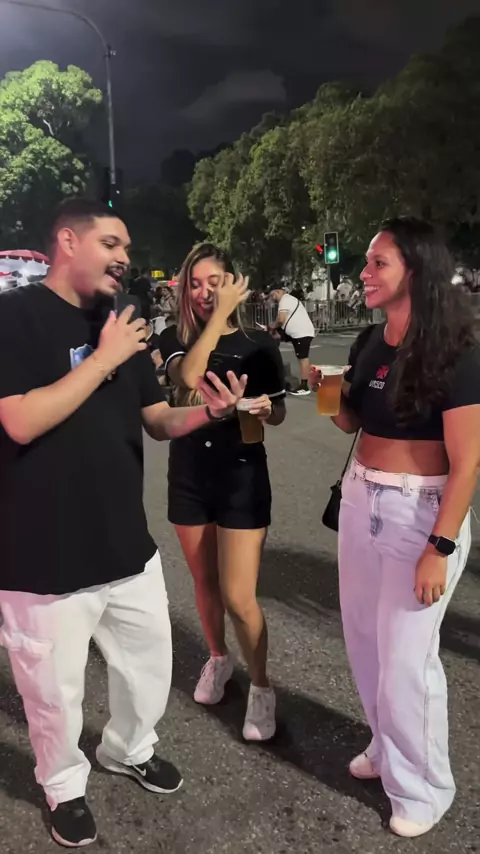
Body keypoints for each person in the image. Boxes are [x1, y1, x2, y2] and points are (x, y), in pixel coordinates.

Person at [0, 200, 246, 849]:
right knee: (53, 691)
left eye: (127, 248)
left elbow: (157, 418)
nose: (124, 258)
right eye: (111, 243)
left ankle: (129, 748)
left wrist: (211, 413)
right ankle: (63, 785)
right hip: (40, 556)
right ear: (67, 241)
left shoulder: (120, 324)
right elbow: (20, 420)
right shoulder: (13, 317)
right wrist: (102, 359)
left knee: (148, 667)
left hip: (125, 545)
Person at [310, 217, 480, 838]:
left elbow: (468, 462)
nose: (363, 272)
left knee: (407, 658)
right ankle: (387, 747)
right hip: (362, 499)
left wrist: (440, 545)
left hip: (421, 511)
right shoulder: (369, 342)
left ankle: (424, 788)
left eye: (378, 262)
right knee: (365, 640)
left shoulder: (457, 350)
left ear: (417, 270)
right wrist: (329, 396)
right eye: (366, 261)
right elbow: (354, 421)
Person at [158, 243, 286, 742]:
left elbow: (278, 411)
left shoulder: (258, 344)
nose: (204, 291)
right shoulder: (175, 337)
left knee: (238, 594)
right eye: (195, 283)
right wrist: (215, 319)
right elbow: (189, 376)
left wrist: (264, 410)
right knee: (205, 582)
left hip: (241, 474)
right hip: (190, 473)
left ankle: (262, 685)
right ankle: (218, 657)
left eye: (215, 281)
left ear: (233, 283)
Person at [266, 285, 315, 396]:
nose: (272, 298)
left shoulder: (285, 300)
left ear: (277, 292)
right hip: (296, 332)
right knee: (276, 337)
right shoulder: (288, 300)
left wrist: (271, 326)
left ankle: (304, 386)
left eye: (272, 296)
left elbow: (281, 319)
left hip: (301, 333)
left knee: (302, 358)